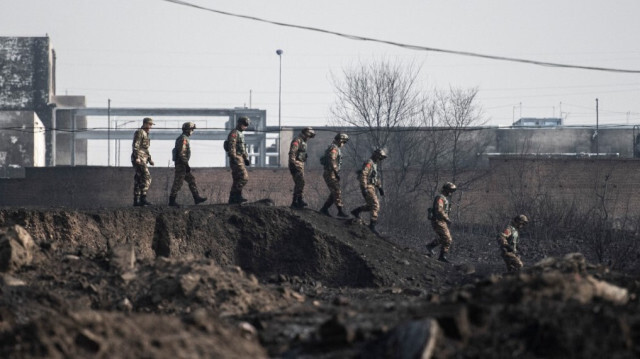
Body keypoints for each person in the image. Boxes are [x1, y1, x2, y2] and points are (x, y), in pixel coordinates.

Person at [169, 122, 207, 207]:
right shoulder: (183, 139)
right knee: (178, 182)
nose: (192, 131)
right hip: (181, 164)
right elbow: (182, 153)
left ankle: (196, 198)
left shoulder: (184, 138)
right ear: (187, 130)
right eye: (192, 129)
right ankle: (171, 201)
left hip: (182, 163)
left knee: (191, 180)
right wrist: (186, 165)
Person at [350, 148, 387, 235]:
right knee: (375, 205)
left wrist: (380, 187)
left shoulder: (374, 164)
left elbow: (374, 177)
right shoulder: (369, 163)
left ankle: (357, 211)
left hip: (372, 186)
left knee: (371, 206)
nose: (380, 159)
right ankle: (372, 225)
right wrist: (364, 187)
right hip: (368, 186)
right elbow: (363, 175)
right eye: (380, 157)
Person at [319, 133, 350, 217]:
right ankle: (340, 211)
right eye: (344, 142)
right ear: (340, 140)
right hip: (330, 173)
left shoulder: (335, 148)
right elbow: (332, 160)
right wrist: (336, 172)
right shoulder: (334, 148)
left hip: (331, 172)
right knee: (337, 190)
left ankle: (324, 209)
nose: (343, 144)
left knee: (334, 192)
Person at [426, 182, 457, 263]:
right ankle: (442, 256)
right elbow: (439, 210)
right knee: (448, 239)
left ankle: (430, 246)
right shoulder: (440, 198)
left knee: (443, 238)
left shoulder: (444, 198)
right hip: (438, 221)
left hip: (441, 221)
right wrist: (447, 219)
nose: (451, 193)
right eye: (450, 191)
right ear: (446, 190)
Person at [288, 127, 316, 208]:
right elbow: (292, 152)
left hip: (300, 164)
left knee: (300, 182)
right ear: (306, 134)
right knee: (300, 182)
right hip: (296, 164)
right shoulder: (297, 140)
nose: (309, 138)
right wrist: (292, 163)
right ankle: (296, 201)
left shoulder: (303, 142)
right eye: (309, 135)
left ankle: (299, 199)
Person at [226, 116, 251, 204]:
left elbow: (242, 148)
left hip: (240, 157)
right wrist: (233, 157)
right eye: (244, 125)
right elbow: (232, 146)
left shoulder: (241, 134)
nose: (245, 127)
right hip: (236, 158)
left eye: (246, 125)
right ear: (239, 124)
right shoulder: (234, 133)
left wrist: (246, 158)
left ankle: (234, 198)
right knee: (244, 177)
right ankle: (236, 195)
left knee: (237, 179)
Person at [131, 117, 155, 206]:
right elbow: (135, 145)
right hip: (139, 158)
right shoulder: (140, 132)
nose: (150, 126)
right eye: (149, 124)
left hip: (143, 158)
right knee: (147, 177)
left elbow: (145, 149)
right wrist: (137, 157)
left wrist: (150, 159)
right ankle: (143, 198)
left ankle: (136, 200)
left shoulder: (146, 134)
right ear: (145, 124)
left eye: (151, 125)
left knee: (138, 178)